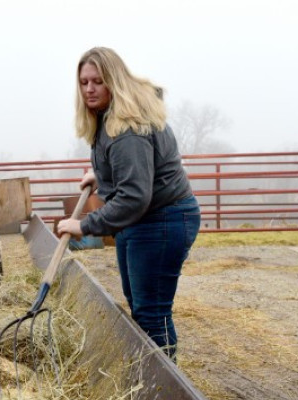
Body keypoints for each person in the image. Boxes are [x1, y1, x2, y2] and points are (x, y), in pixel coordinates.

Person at [56, 47, 200, 359]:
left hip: (161, 219)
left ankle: (165, 386)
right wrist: (101, 174)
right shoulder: (111, 116)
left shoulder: (127, 130)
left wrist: (84, 225)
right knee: (140, 303)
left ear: (114, 80)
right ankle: (155, 379)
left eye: (98, 81)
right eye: (83, 82)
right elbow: (132, 168)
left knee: (152, 313)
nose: (90, 89)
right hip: (145, 218)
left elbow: (134, 195)